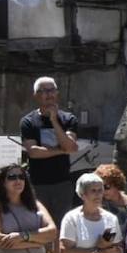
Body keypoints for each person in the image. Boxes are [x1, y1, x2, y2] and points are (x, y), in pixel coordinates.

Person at [19, 76, 80, 237]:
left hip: (62, 183)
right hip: (38, 184)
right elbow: (33, 152)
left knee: (61, 230)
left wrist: (54, 121)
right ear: (36, 95)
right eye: (43, 91)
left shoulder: (68, 119)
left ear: (57, 93)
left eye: (51, 90)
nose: (48, 94)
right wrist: (61, 150)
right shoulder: (28, 122)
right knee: (39, 227)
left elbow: (70, 146)